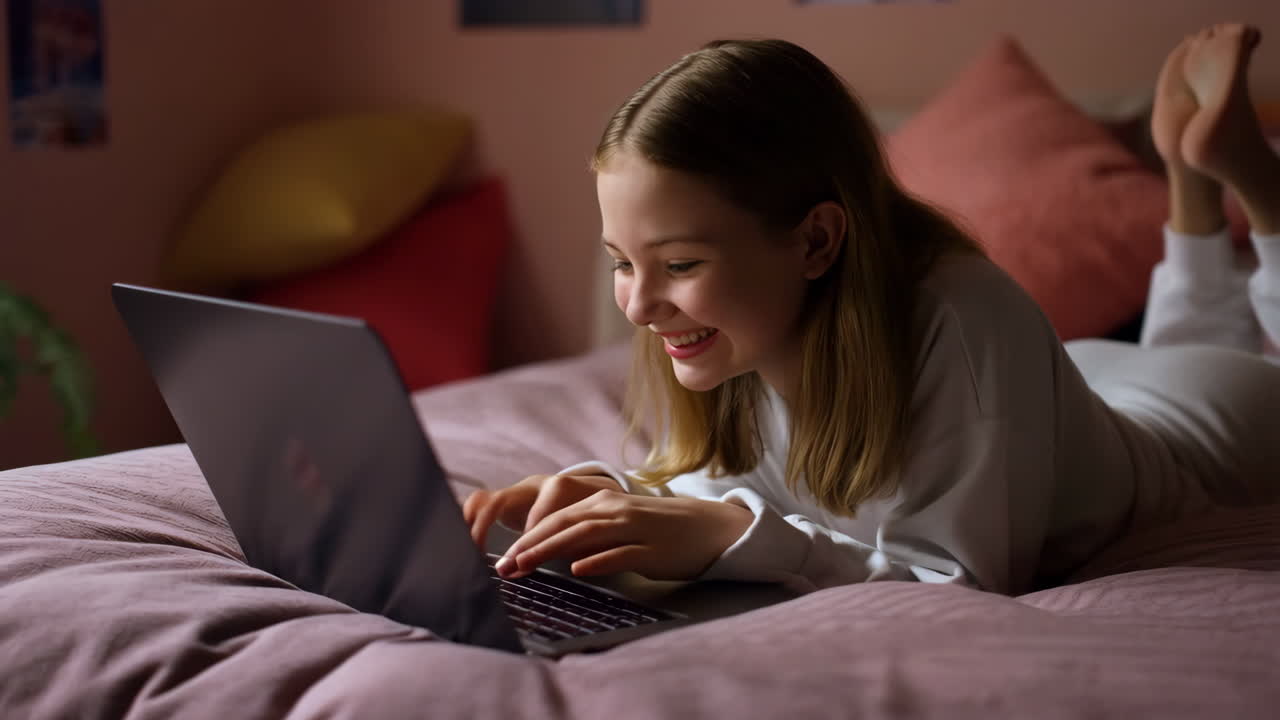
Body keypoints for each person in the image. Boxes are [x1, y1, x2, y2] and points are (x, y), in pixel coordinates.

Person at [463, 26, 1280, 596]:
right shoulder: (730, 334)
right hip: (1087, 387)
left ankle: (1250, 181)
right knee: (1193, 328)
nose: (641, 306)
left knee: (1252, 357)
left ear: (816, 241)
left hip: (1212, 423)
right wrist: (606, 496)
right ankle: (1190, 190)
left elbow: (956, 581)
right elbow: (711, 487)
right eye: (621, 264)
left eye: (679, 264)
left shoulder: (965, 316)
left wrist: (727, 539)